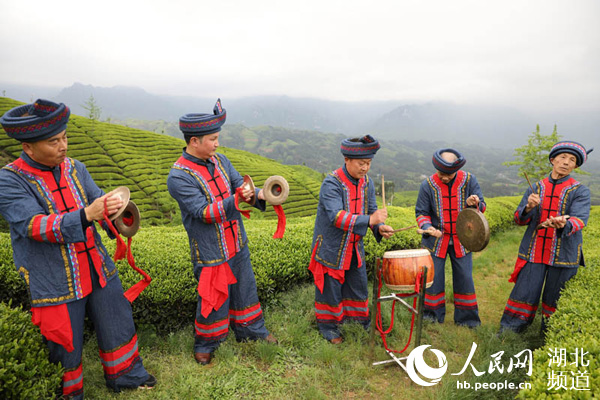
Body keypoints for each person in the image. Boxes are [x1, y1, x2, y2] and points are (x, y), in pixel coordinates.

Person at [0, 99, 156, 399]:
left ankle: (125, 375)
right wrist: (86, 214)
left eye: (64, 137)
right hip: (54, 274)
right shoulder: (9, 180)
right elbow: (33, 226)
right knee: (64, 338)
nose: (63, 146)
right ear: (29, 147)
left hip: (96, 265)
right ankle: (69, 392)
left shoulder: (76, 168)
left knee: (117, 319)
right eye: (53, 141)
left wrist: (115, 211)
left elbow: (98, 200)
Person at [167, 99, 276, 365]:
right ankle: (207, 342)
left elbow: (240, 185)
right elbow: (203, 212)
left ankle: (251, 330)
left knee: (244, 288)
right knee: (212, 296)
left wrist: (262, 193)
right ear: (194, 141)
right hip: (209, 247)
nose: (217, 144)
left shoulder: (221, 161)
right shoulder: (179, 176)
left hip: (236, 240)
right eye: (212, 139)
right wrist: (237, 198)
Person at [500, 141, 592, 334]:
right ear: (553, 160)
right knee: (525, 291)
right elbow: (518, 219)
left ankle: (549, 336)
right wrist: (528, 207)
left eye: (572, 160)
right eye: (563, 157)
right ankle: (510, 332)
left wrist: (564, 224)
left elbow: (580, 219)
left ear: (576, 166)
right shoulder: (535, 188)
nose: (566, 162)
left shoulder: (580, 191)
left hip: (564, 253)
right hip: (534, 251)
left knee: (555, 297)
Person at [308, 135, 393, 344]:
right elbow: (336, 216)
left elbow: (371, 209)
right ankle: (330, 328)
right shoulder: (331, 183)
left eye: (368, 164)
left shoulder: (367, 183)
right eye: (361, 163)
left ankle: (357, 321)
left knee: (357, 285)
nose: (365, 168)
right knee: (331, 289)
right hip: (331, 247)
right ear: (347, 160)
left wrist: (379, 227)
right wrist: (370, 219)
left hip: (354, 246)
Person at [415, 148, 485, 328]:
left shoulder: (469, 180)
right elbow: (421, 212)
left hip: (463, 238)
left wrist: (474, 203)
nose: (445, 177)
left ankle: (467, 319)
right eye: (441, 173)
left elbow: (482, 206)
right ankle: (432, 316)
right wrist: (426, 227)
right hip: (436, 240)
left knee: (464, 277)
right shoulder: (427, 185)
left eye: (449, 173)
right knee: (433, 278)